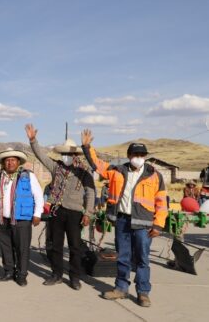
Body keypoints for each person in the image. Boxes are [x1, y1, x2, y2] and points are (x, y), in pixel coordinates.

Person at [81, 129, 168, 307]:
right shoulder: (116, 171)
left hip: (143, 225)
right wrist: (87, 146)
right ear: (129, 156)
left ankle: (143, 293)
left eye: (142, 154)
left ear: (145, 156)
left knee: (143, 259)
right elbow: (97, 164)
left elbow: (162, 202)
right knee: (123, 257)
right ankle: (121, 288)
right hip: (122, 221)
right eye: (135, 154)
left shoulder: (155, 175)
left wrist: (158, 225)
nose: (138, 157)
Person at [25, 124, 95, 290]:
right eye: (64, 154)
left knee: (75, 247)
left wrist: (88, 213)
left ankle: (74, 278)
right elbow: (41, 156)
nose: (66, 156)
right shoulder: (56, 167)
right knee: (55, 245)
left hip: (75, 213)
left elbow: (91, 193)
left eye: (69, 154)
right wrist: (33, 140)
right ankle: (56, 274)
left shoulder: (84, 171)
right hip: (57, 211)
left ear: (75, 154)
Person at [0, 148, 44, 287]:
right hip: (2, 219)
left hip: (22, 219)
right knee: (5, 247)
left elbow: (38, 195)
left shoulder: (28, 176)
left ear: (18, 162)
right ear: (3, 162)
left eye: (13, 160)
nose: (10, 163)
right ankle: (8, 272)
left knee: (22, 248)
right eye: (7, 160)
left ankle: (22, 275)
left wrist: (37, 214)